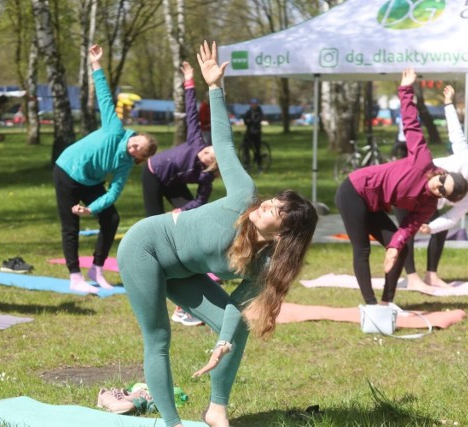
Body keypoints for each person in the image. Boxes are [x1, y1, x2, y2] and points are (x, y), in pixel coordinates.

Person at [117, 41, 318, 427]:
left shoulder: (267, 264)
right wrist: (213, 87)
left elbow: (234, 307)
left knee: (236, 326)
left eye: (278, 211)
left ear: (282, 235)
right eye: (275, 200)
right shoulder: (243, 197)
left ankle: (216, 409)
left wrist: (221, 344)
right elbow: (223, 144)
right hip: (145, 248)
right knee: (158, 338)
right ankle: (173, 423)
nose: (268, 204)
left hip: (185, 271)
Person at [335, 68, 468, 306]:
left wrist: (393, 247)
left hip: (375, 205)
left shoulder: (427, 205)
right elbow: (411, 124)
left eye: (442, 192)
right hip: (354, 191)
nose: (437, 188)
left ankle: (387, 302)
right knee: (362, 248)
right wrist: (406, 89)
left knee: (402, 249)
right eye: (441, 182)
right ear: (442, 173)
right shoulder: (422, 161)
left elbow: (407, 228)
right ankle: (371, 305)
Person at [54, 44, 157, 294]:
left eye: (138, 152)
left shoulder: (125, 164)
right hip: (67, 171)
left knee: (111, 218)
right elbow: (104, 97)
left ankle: (96, 269)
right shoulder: (115, 129)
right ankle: (74, 276)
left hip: (90, 183)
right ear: (135, 136)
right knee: (71, 226)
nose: (133, 149)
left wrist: (91, 208)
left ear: (140, 158)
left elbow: (113, 193)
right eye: (136, 144)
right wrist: (96, 64)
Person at [396, 85, 468, 293]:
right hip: (415, 181)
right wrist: (448, 103)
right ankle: (412, 277)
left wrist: (432, 227)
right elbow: (456, 134)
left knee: (441, 229)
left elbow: (452, 217)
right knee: (406, 229)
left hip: (431, 200)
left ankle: (432, 276)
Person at [142, 61, 218, 327]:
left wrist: (180, 210)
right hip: (153, 174)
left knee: (188, 220)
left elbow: (200, 201)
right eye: (208, 149)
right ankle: (150, 266)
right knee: (151, 226)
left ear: (211, 164)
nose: (206, 150)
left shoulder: (206, 176)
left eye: (210, 154)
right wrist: (189, 80)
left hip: (173, 185)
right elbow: (191, 113)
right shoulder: (197, 140)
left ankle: (182, 287)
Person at [241, 98, 263, 170]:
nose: (253, 105)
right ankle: (247, 164)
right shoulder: (249, 111)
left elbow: (257, 120)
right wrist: (249, 121)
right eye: (252, 104)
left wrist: (250, 121)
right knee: (246, 147)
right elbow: (245, 120)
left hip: (256, 132)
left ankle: (259, 165)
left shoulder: (259, 111)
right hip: (249, 132)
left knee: (257, 149)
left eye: (255, 103)